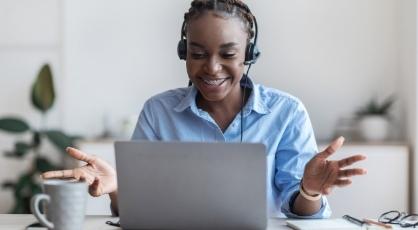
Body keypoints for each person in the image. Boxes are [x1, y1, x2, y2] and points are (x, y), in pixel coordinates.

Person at [42, 0, 367, 218]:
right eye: (198, 53)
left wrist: (309, 191)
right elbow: (138, 213)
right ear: (184, 52)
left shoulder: (287, 113)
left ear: (248, 55)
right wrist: (118, 190)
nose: (212, 68)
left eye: (228, 54)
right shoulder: (158, 112)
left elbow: (305, 216)